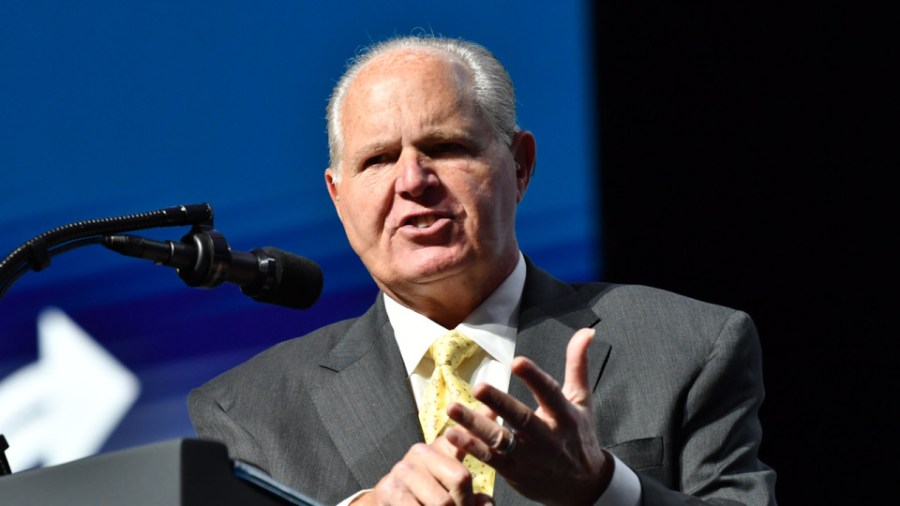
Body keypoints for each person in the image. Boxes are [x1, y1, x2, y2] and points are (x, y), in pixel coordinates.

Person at [188, 35, 776, 505]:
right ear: (339, 198)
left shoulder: (684, 346)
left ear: (520, 167)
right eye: (378, 159)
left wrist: (603, 490)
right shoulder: (249, 411)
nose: (412, 181)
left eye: (444, 147)